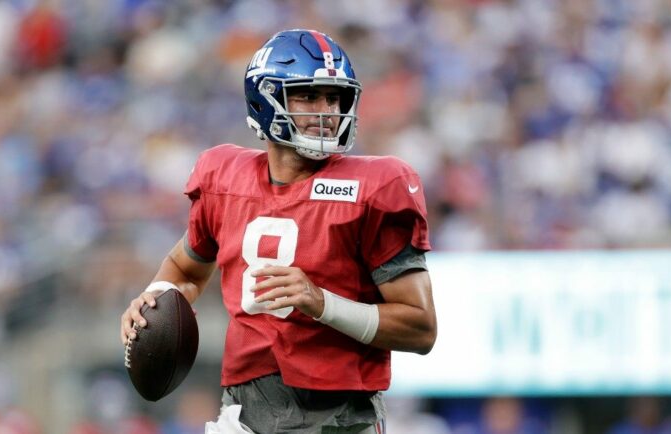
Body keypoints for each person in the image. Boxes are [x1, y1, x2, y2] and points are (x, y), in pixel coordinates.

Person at [119, 29, 437, 433]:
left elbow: (421, 328)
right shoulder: (224, 178)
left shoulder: (376, 186)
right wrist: (153, 300)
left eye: (334, 97)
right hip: (244, 413)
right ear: (264, 98)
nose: (326, 111)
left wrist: (321, 303)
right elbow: (184, 271)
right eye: (308, 95)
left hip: (339, 418)